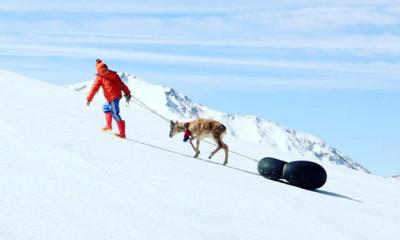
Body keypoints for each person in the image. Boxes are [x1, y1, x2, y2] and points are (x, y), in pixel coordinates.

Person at [86, 59, 131, 138]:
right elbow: (122, 84)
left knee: (115, 114)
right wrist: (127, 93)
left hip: (112, 97)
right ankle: (108, 126)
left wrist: (89, 98)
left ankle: (122, 133)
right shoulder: (114, 75)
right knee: (106, 107)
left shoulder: (100, 77)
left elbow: (94, 88)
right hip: (115, 96)